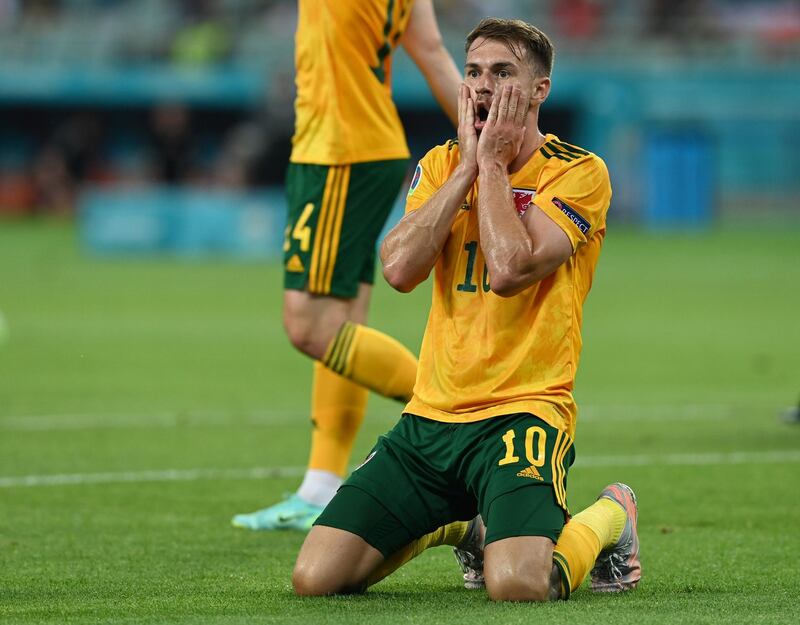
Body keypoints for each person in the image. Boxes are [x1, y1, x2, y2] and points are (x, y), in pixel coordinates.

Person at [291, 18, 641, 600]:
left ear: (539, 90)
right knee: (316, 578)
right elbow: (399, 270)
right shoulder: (439, 165)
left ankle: (611, 517)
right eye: (475, 72)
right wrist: (466, 169)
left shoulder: (579, 172)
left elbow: (510, 271)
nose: (484, 85)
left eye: (503, 73)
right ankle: (462, 524)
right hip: (432, 416)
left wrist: (496, 166)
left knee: (519, 584)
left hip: (523, 414)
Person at [232, 0, 461, 531]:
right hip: (367, 146)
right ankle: (320, 486)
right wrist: (487, 138)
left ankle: (454, 408)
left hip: (338, 149)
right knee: (342, 322)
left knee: (311, 327)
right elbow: (430, 50)